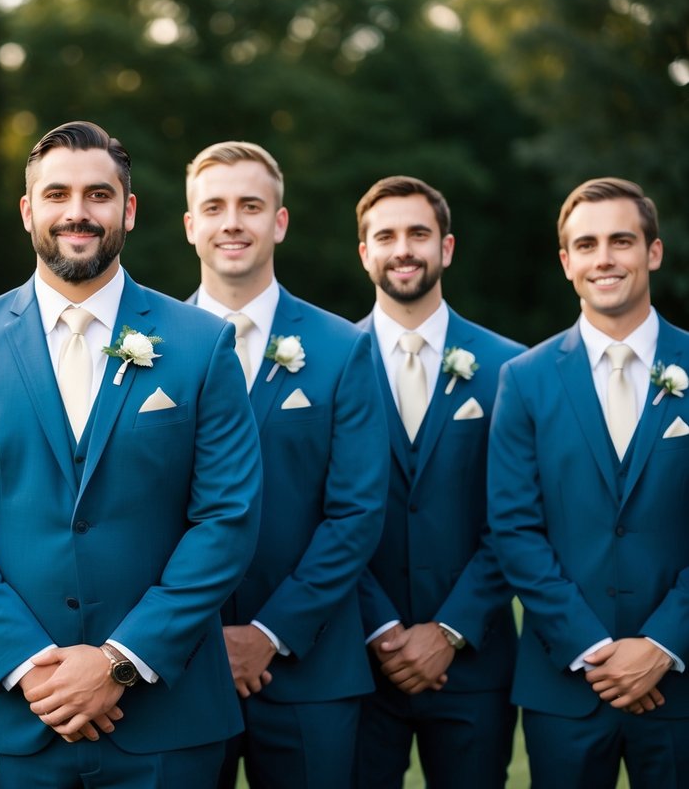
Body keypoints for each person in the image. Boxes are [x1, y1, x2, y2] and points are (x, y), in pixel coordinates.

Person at [0, 120, 262, 788]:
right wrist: (28, 662)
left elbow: (227, 518)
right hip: (4, 714)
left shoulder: (201, 343)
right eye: (57, 194)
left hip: (165, 718)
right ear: (27, 211)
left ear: (128, 210)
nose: (77, 212)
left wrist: (121, 660)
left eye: (98, 195)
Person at [180, 141, 387, 788]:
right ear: (189, 225)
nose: (231, 222)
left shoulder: (342, 347)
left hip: (310, 666)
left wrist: (270, 632)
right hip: (179, 665)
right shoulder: (152, 347)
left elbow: (356, 512)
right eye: (214, 207)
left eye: (250, 205)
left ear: (279, 221)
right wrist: (191, 630)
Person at [488, 177, 689, 788]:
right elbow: (514, 528)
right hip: (566, 683)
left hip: (682, 679)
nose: (604, 258)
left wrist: (662, 643)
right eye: (587, 245)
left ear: (653, 252)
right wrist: (592, 648)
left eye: (621, 241)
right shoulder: (524, 379)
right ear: (566, 262)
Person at [353, 176, 522, 788]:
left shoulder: (510, 368)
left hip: (475, 663)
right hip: (358, 661)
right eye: (386, 236)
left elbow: (519, 516)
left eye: (419, 234)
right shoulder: (327, 364)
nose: (403, 249)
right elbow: (320, 514)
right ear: (365, 252)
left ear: (446, 248)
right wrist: (382, 630)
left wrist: (451, 630)